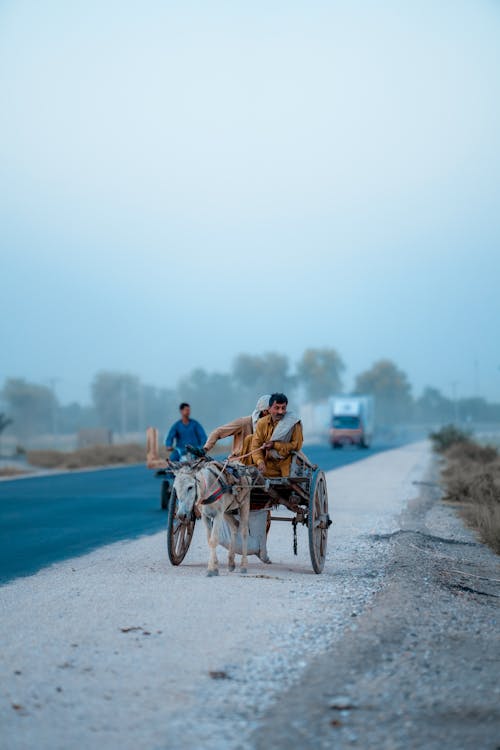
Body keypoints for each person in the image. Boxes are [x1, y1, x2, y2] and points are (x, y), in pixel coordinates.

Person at [203, 395, 271, 461]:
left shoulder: (274, 426)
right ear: (264, 411)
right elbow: (217, 432)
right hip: (239, 462)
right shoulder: (244, 422)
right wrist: (205, 449)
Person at [251, 392, 303, 477]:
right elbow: (255, 446)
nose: (280, 411)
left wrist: (274, 445)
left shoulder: (293, 423)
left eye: (283, 408)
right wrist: (260, 462)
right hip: (268, 463)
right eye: (277, 408)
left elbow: (296, 445)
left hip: (287, 463)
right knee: (249, 475)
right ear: (269, 409)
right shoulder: (261, 423)